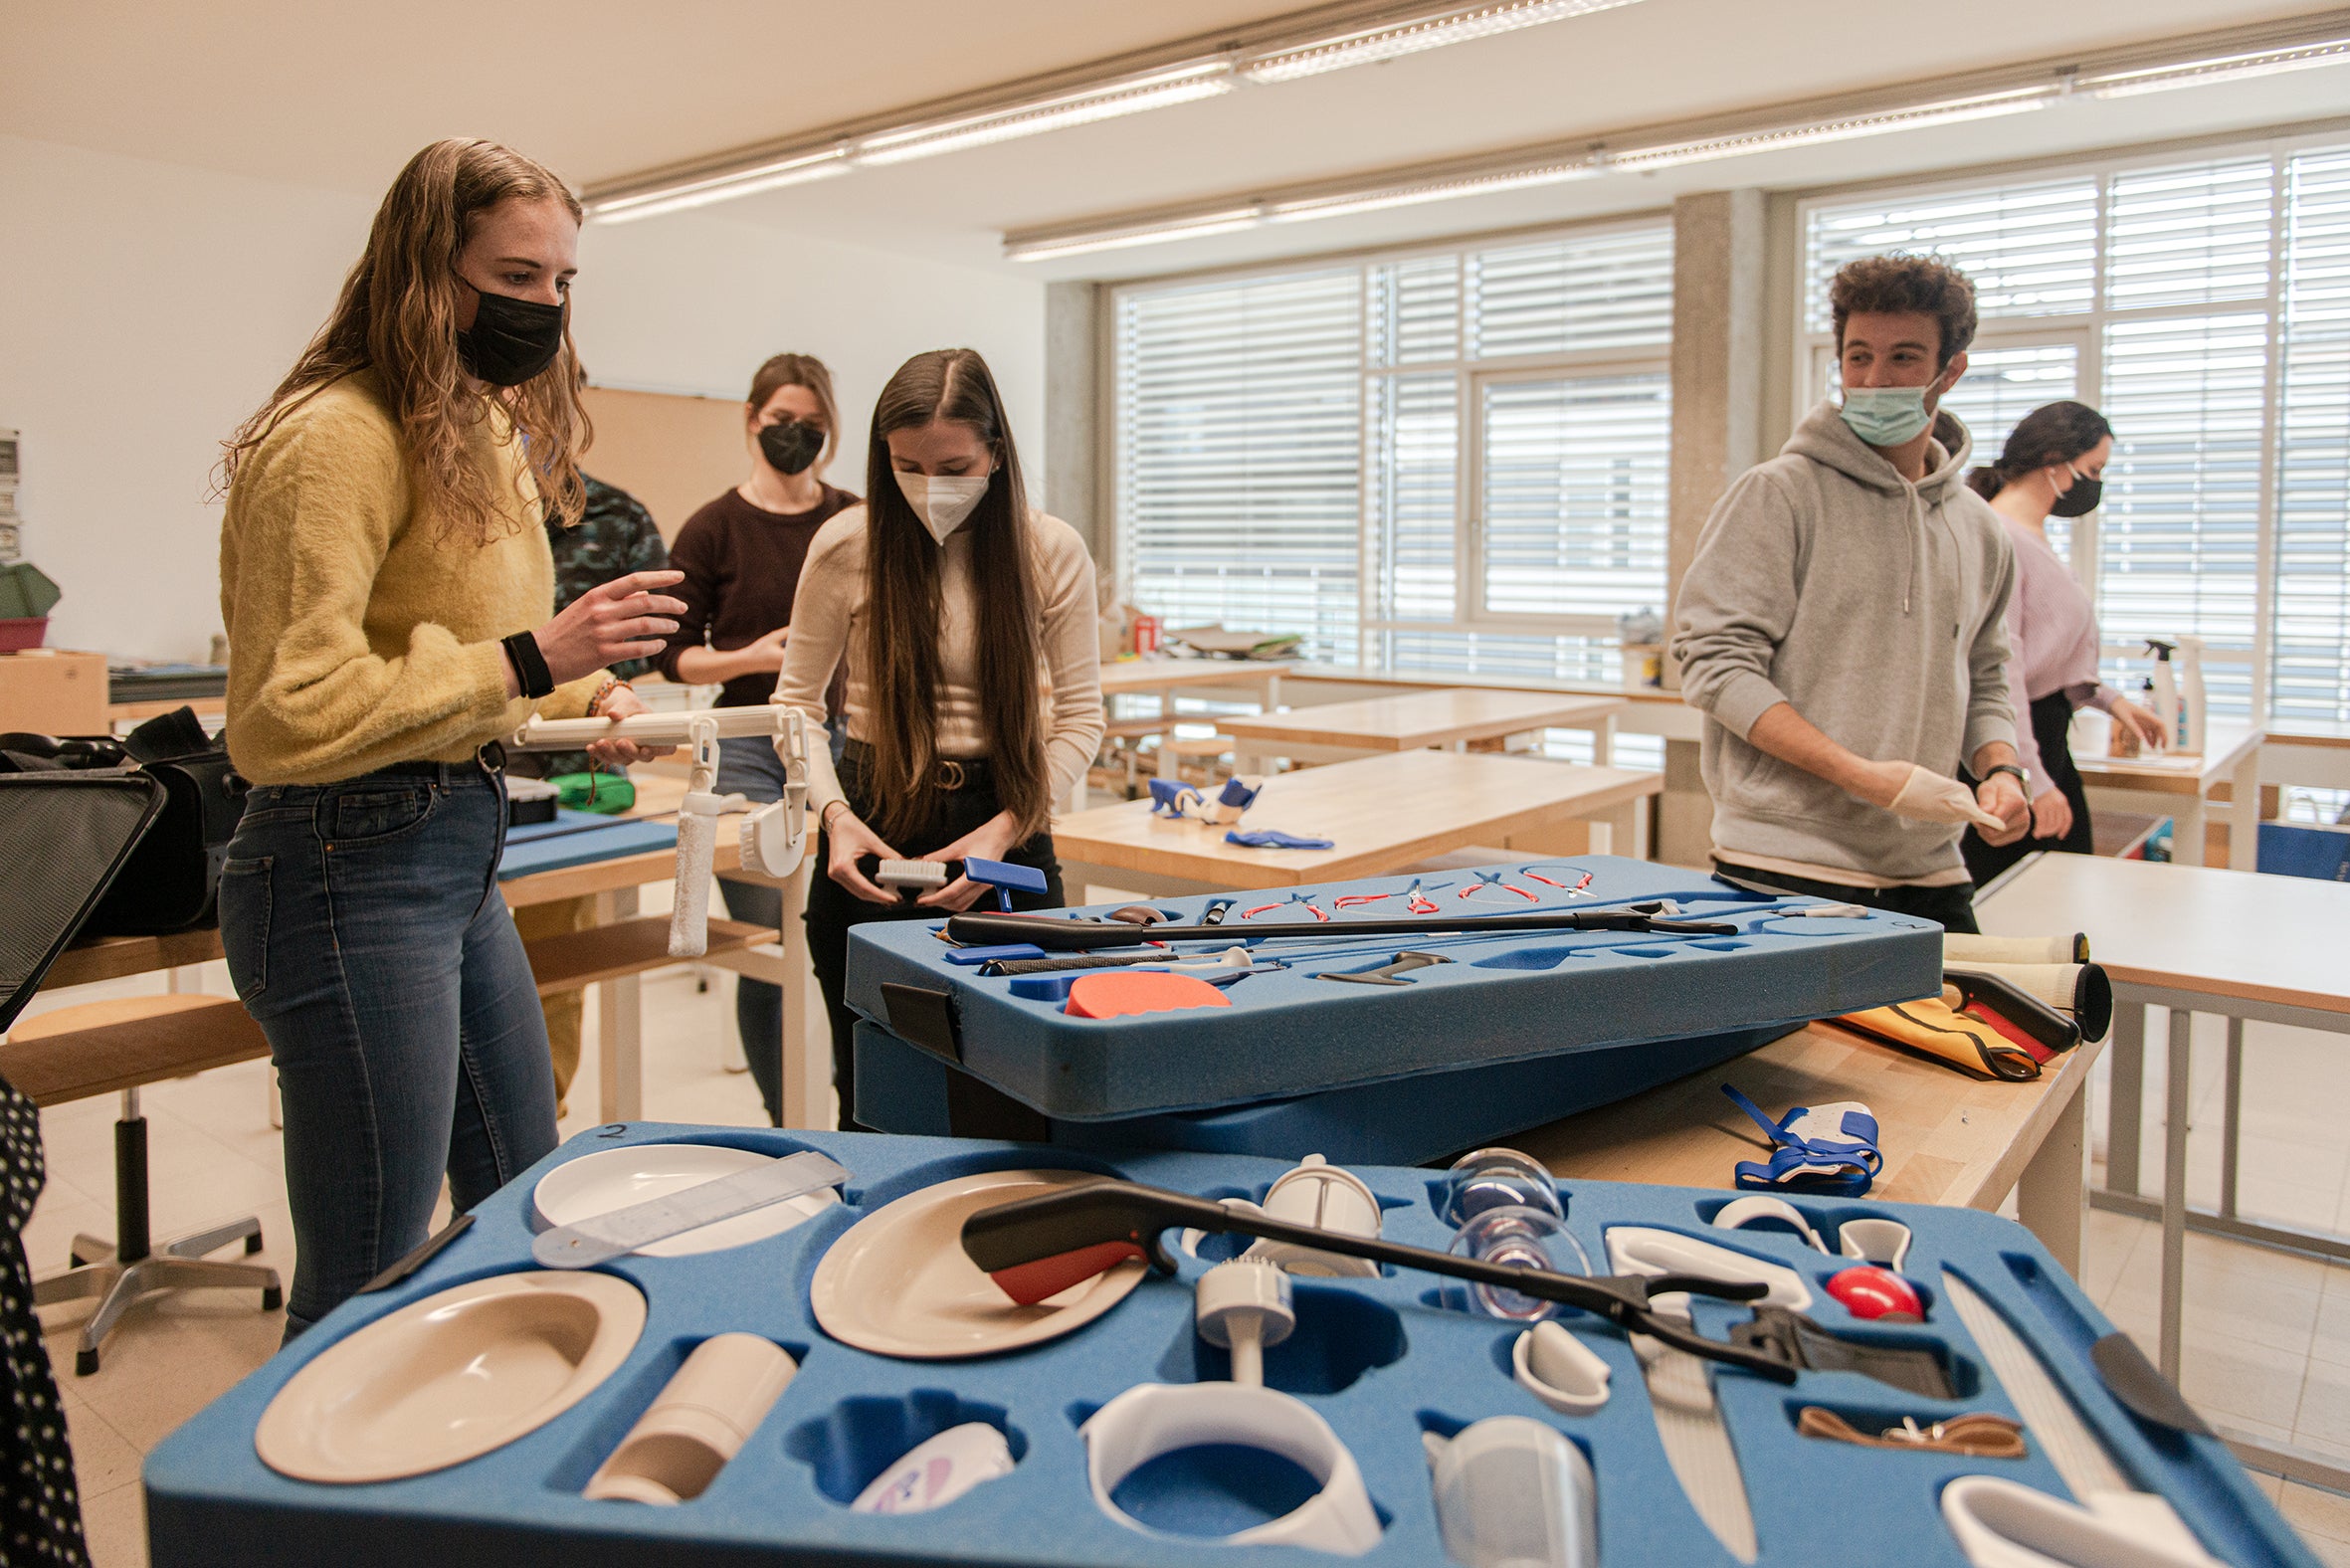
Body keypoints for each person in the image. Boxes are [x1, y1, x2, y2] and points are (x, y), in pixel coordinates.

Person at [215, 138, 685, 1335]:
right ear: (428, 271)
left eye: (562, 282)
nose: (546, 307)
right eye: (516, 276)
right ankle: (311, 1520)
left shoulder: (476, 430)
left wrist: (587, 699)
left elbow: (475, 649)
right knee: (367, 1272)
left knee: (525, 1200)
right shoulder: (333, 436)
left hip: (453, 851)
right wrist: (540, 661)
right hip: (342, 864)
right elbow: (286, 712)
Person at [776, 348, 1103, 1131]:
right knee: (875, 1094)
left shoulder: (1049, 549)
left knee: (1021, 1095)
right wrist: (834, 818)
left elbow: (1082, 719)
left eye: (953, 464)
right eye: (906, 467)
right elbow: (794, 707)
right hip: (873, 819)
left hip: (1007, 825)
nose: (930, 487)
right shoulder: (846, 544)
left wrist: (1002, 835)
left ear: (996, 451)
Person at [1670, 254, 2030, 934]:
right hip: (1783, 863)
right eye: (1858, 356)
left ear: (1950, 370)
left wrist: (2003, 770)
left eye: (1903, 358)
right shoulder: (1779, 495)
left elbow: (1986, 677)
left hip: (1930, 868)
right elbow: (1716, 665)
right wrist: (1860, 775)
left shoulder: (1980, 529)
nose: (1873, 380)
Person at [657, 354, 859, 1125]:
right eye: (781, 423)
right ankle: (787, 1119)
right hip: (744, 746)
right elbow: (673, 655)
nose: (795, 437)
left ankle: (853, 1115)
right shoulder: (714, 528)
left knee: (845, 937)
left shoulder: (851, 519)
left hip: (842, 742)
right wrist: (755, 657)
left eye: (812, 426)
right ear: (750, 420)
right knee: (770, 946)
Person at [510, 468, 670, 1119]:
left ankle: (535, 1111)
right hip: (464, 771)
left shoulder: (618, 513)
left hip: (577, 780)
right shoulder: (467, 500)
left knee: (552, 967)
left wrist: (609, 692)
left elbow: (651, 638)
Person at [1960, 401, 2167, 883]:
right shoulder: (1999, 535)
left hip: (2045, 736)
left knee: (2062, 888)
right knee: (2022, 897)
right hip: (2013, 746)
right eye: (2093, 470)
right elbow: (2002, 668)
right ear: (2054, 461)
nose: (2093, 485)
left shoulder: (2033, 535)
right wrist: (2028, 775)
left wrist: (2111, 701)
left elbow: (2048, 652)